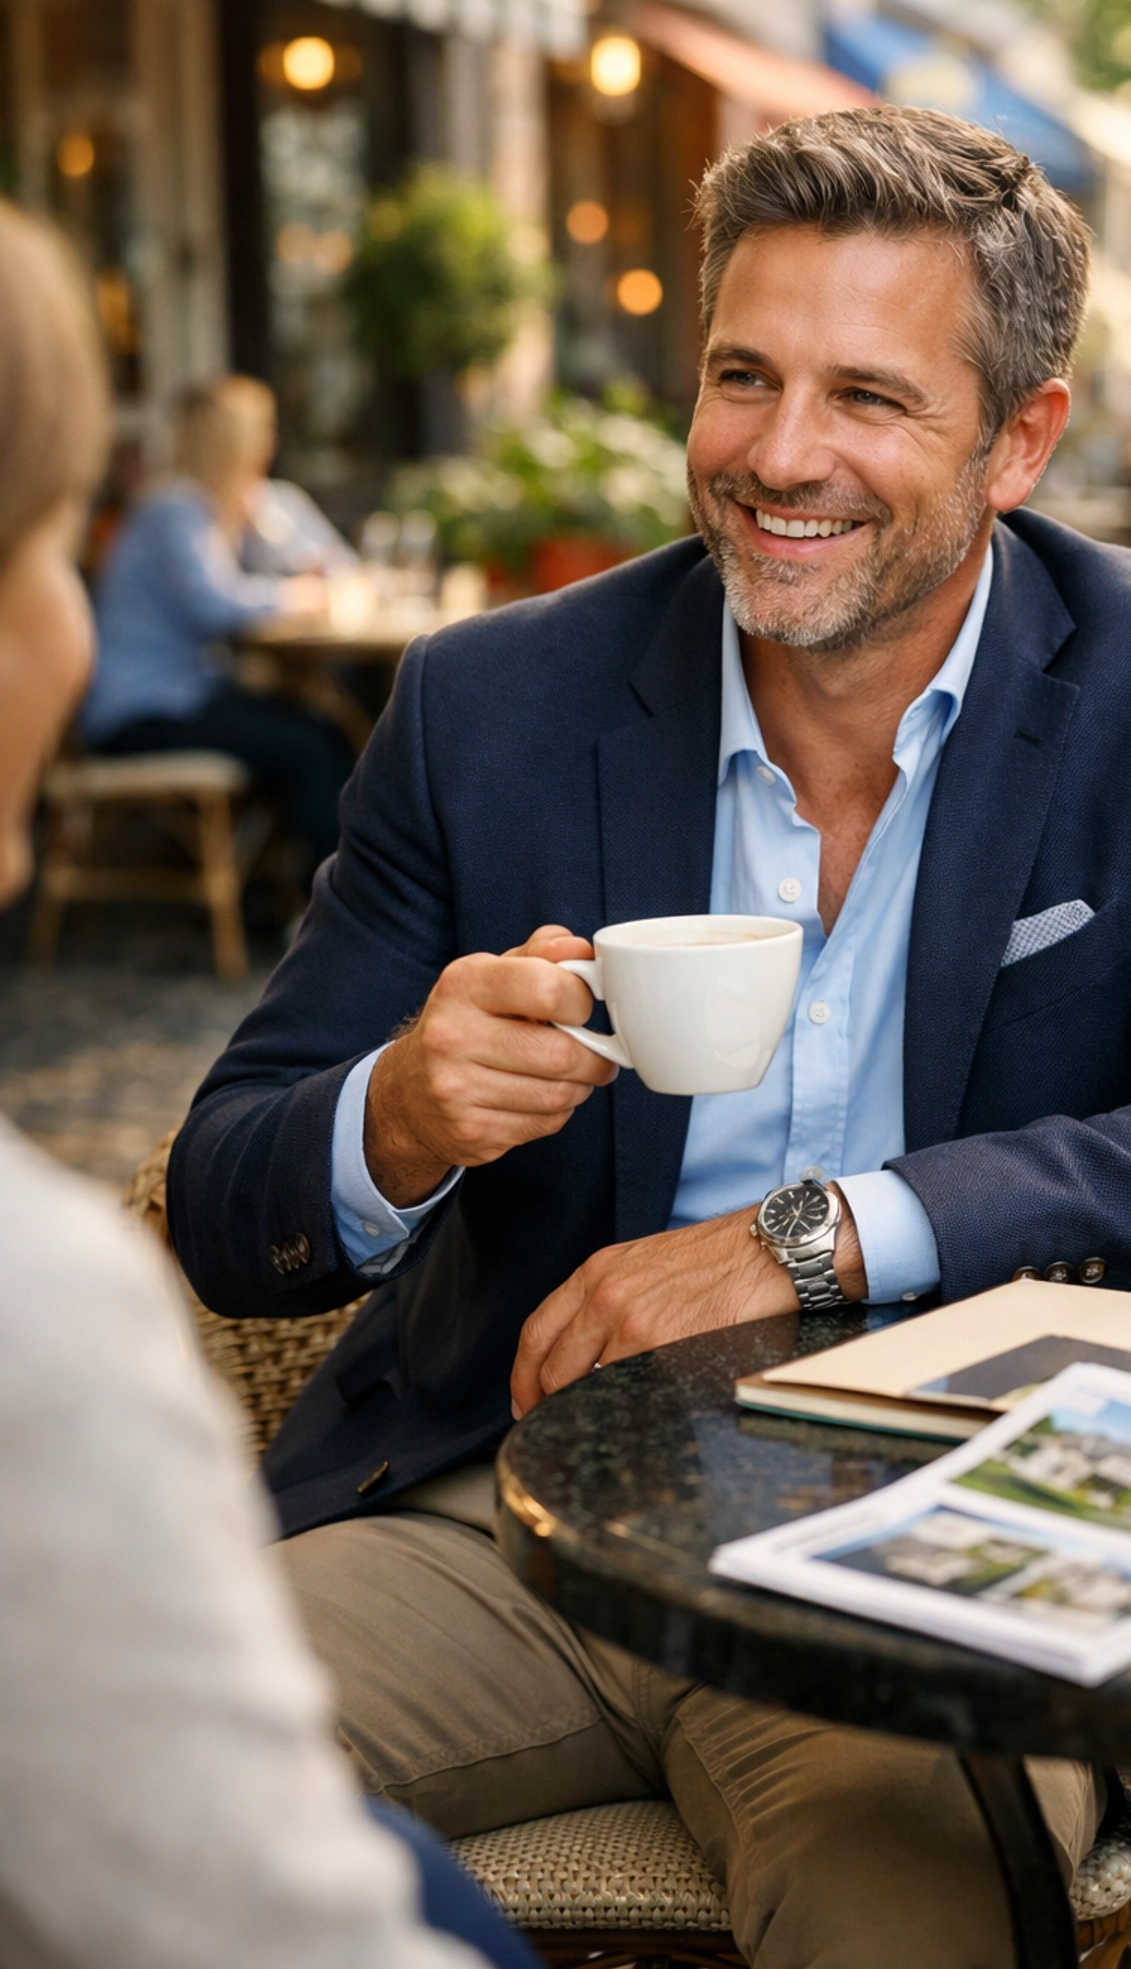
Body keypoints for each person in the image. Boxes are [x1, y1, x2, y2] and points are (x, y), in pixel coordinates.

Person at [171, 108, 1131, 1969]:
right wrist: (402, 1111)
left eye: (864, 396)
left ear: (1020, 439)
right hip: (500, 1509)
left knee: (901, 1878)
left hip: (934, 1541)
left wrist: (815, 1231)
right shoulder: (490, 700)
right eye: (741, 376)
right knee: (84, 1767)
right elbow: (224, 1190)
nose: (777, 455)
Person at [0, 201, 540, 1969]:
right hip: (458, 1508)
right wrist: (391, 1114)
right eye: (37, 548)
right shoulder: (39, 1310)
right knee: (309, 743)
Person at [80, 374, 355, 876]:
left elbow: (336, 566)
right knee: (312, 748)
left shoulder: (240, 504)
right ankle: (324, 904)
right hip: (141, 709)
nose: (269, 443)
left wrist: (276, 536)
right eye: (261, 429)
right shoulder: (174, 509)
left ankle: (276, 888)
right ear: (235, 440)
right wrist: (298, 592)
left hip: (188, 694)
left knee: (323, 731)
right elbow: (217, 605)